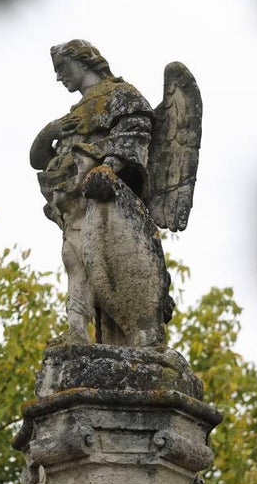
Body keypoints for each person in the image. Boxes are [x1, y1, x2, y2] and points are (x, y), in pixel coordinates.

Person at [30, 40, 170, 347]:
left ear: (83, 62)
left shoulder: (121, 95)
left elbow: (134, 134)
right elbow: (37, 160)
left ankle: (137, 334)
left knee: (107, 266)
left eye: (61, 68)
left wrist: (108, 167)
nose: (58, 77)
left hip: (106, 201)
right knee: (73, 260)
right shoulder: (73, 115)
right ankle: (76, 330)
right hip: (74, 205)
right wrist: (51, 131)